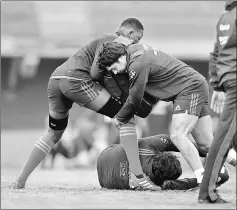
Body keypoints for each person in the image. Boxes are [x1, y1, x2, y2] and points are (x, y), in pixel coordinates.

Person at [11, 18, 159, 191]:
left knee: (53, 133)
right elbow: (95, 73)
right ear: (129, 32)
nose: (137, 43)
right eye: (137, 38)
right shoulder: (118, 41)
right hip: (76, 80)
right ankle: (138, 177)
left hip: (56, 80)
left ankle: (19, 181)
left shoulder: (103, 40)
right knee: (126, 118)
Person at [96, 41, 236, 186]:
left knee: (177, 135)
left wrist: (120, 117)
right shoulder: (134, 51)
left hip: (189, 89)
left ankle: (203, 179)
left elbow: (135, 99)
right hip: (195, 85)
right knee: (206, 144)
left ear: (120, 58)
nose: (115, 72)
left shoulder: (136, 65)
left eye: (114, 67)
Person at [198, 0, 237, 204]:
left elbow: (215, 53)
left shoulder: (225, 17)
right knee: (224, 137)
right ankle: (207, 192)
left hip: (229, 79)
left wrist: (217, 84)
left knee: (228, 134)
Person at [97, 134, 229, 190]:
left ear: (161, 155)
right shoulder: (155, 184)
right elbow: (184, 184)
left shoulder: (149, 145)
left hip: (104, 156)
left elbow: (175, 142)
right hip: (105, 182)